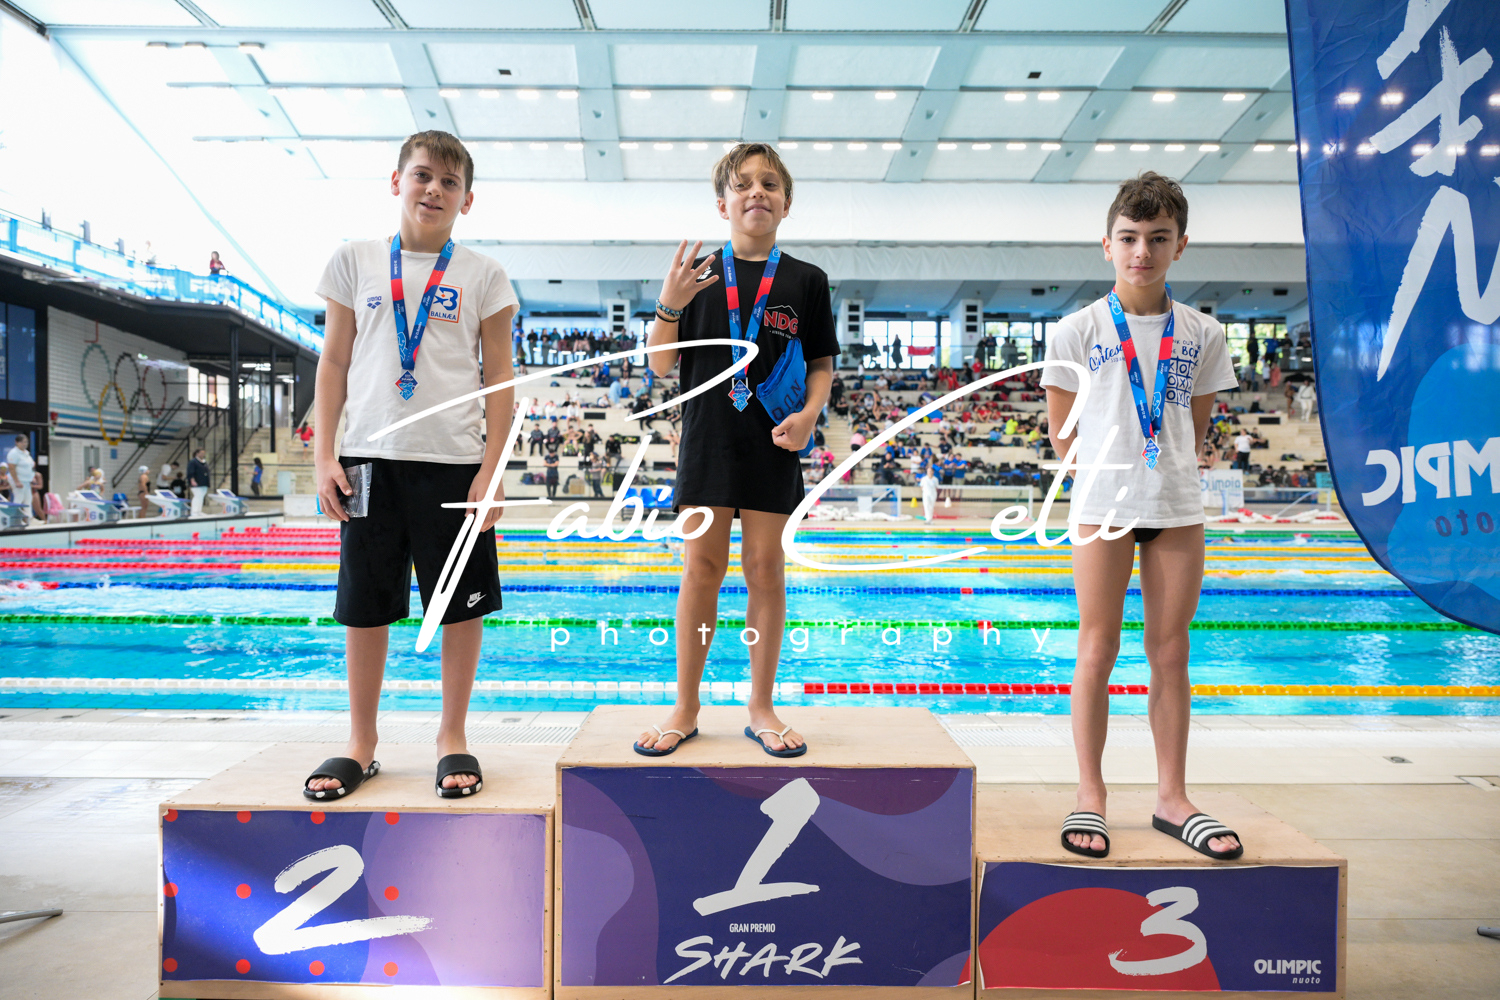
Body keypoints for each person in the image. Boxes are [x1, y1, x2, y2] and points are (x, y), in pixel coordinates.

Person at [306, 129, 519, 802]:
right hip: (369, 458)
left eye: (450, 182)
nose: (434, 189)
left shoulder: (483, 274)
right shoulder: (355, 260)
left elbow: (500, 379)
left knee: (459, 606)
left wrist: (491, 471)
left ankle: (451, 734)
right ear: (396, 181)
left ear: (468, 199)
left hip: (454, 462)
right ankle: (361, 743)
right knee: (364, 605)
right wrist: (324, 454)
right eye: (423, 175)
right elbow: (333, 361)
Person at [1041, 172, 1243, 863]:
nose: (1142, 252)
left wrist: (1159, 464)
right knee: (1097, 647)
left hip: (1177, 505)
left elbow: (1196, 425)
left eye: (1158, 238)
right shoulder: (1076, 330)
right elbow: (1061, 435)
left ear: (1180, 245)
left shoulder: (1205, 333)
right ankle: (1090, 792)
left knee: (1171, 650)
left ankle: (1172, 798)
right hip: (1102, 506)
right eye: (1129, 238)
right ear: (1107, 244)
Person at [637, 142, 836, 758]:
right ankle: (685, 706)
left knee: (765, 570)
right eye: (743, 183)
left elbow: (822, 364)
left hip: (775, 440)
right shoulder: (697, 276)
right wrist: (670, 302)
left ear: (786, 203)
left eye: (770, 184)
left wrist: (810, 415)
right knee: (701, 569)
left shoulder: (806, 279)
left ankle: (761, 705)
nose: (757, 192)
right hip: (707, 442)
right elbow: (660, 364)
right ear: (722, 203)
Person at [6, 435, 35, 509]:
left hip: (26, 481)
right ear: (16, 442)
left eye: (26, 442)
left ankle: (28, 516)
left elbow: (30, 467)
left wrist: (32, 477)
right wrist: (17, 481)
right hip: (18, 480)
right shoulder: (14, 453)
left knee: (28, 500)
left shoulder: (26, 453)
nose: (24, 444)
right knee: (19, 498)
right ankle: (14, 516)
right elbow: (11, 468)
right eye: (22, 442)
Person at [187, 448, 211, 516]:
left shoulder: (204, 462)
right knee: (197, 496)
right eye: (202, 453)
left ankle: (198, 511)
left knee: (201, 497)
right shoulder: (193, 462)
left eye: (204, 453)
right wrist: (192, 480)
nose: (203, 454)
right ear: (197, 453)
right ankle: (194, 512)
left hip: (204, 483)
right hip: (197, 483)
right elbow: (190, 472)